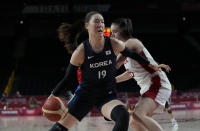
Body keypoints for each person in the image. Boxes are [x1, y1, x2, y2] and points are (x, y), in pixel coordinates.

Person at [49, 11, 161, 131]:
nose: (101, 24)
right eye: (96, 21)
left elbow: (132, 54)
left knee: (123, 115)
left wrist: (149, 64)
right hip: (85, 95)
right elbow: (67, 79)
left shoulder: (113, 43)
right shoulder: (80, 52)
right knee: (59, 128)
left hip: (105, 95)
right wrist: (52, 95)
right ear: (87, 26)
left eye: (102, 21)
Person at [111, 18, 172, 131]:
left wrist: (96, 71)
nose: (112, 35)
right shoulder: (124, 48)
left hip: (157, 83)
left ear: (124, 31)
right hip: (148, 86)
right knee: (134, 122)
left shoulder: (131, 43)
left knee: (138, 114)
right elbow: (130, 74)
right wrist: (113, 80)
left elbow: (115, 65)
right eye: (111, 32)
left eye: (115, 31)